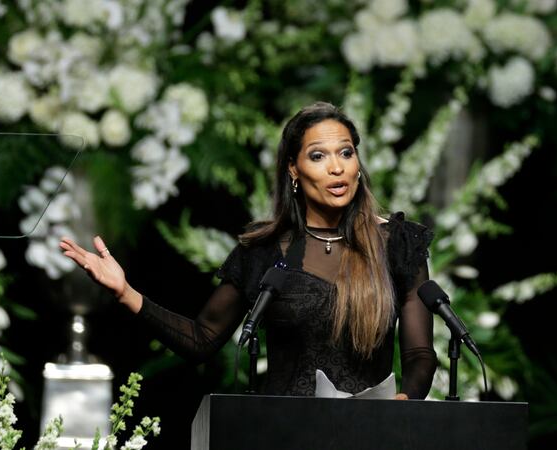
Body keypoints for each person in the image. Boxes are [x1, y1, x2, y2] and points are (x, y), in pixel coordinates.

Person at [59, 101, 437, 400]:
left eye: (346, 152)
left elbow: (420, 356)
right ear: (294, 169)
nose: (336, 168)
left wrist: (402, 402)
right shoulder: (265, 253)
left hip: (368, 437)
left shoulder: (397, 245)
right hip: (283, 436)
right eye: (318, 156)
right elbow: (202, 339)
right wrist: (126, 293)